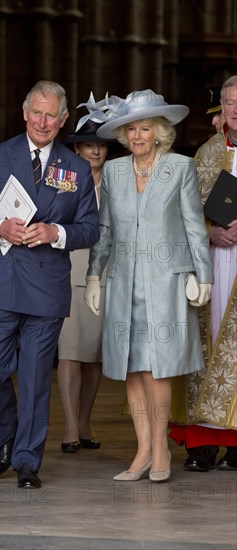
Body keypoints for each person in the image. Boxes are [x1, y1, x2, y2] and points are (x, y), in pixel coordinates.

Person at [0, 80, 99, 489]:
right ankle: (7, 435)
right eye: (36, 112)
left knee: (37, 376)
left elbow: (91, 228)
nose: (42, 121)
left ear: (63, 119)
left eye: (51, 114)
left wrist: (57, 232)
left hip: (46, 287)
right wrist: (1, 226)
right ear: (24, 113)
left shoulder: (74, 167)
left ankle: (26, 460)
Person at [84, 89, 213, 482]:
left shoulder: (180, 168)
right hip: (125, 283)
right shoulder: (116, 172)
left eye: (145, 128)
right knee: (132, 369)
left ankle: (160, 451)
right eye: (131, 129)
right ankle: (141, 452)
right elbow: (104, 230)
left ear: (159, 132)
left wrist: (203, 275)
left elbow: (194, 225)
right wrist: (94, 275)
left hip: (166, 282)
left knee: (157, 369)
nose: (138, 135)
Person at [169, 75, 237, 471]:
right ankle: (202, 443)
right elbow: (183, 214)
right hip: (210, 263)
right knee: (204, 345)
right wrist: (211, 232)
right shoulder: (206, 154)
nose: (235, 110)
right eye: (229, 103)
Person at [57, 93, 121, 453]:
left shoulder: (116, 180)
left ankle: (85, 422)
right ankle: (68, 427)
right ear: (77, 149)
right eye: (88, 145)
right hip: (69, 268)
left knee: (94, 354)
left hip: (107, 272)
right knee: (69, 351)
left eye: (101, 145)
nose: (95, 152)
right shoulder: (65, 177)